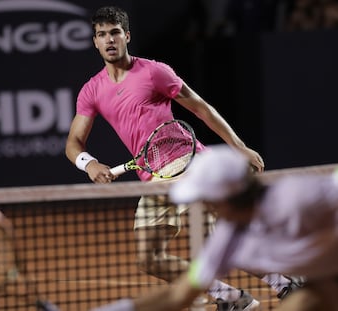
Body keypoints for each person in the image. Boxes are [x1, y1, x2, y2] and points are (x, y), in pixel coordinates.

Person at [65, 6, 265, 309]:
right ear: (94, 41)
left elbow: (201, 107)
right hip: (153, 176)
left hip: (185, 160)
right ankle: (233, 298)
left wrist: (239, 146)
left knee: (218, 240)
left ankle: (283, 282)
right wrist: (89, 163)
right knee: (149, 258)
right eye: (102, 35)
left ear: (127, 36)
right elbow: (73, 143)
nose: (109, 40)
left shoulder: (153, 71)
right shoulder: (91, 90)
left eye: (115, 33)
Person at [91, 145, 338, 311]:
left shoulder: (296, 198)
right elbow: (178, 295)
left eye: (203, 197)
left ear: (223, 198)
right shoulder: (227, 238)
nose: (198, 203)